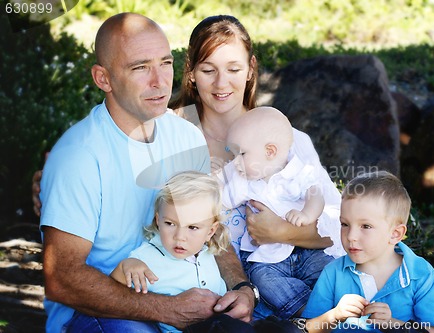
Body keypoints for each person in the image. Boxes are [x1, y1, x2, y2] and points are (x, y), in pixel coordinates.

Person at [34, 13, 339, 322]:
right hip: (166, 293)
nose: (222, 83)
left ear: (250, 70)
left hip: (242, 290)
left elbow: (340, 228)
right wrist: (54, 183)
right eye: (208, 70)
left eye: (233, 68)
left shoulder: (278, 137)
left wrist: (279, 237)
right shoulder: (177, 130)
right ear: (191, 73)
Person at [39, 13, 255, 333]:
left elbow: (210, 229)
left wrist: (241, 288)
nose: (159, 80)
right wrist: (166, 309)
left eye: (165, 63)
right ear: (103, 78)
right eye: (140, 67)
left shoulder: (186, 137)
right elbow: (62, 279)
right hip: (102, 313)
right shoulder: (78, 157)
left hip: (179, 295)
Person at [217, 106, 345, 319]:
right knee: (262, 280)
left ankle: (343, 308)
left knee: (329, 270)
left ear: (270, 151)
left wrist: (306, 215)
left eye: (242, 154)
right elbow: (221, 197)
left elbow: (316, 195)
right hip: (268, 258)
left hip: (307, 251)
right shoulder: (242, 180)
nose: (236, 162)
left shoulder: (297, 172)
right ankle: (307, 313)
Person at [293, 171, 434, 333]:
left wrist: (393, 324)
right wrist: (333, 316)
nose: (351, 236)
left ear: (395, 234)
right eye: (345, 224)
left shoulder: (421, 273)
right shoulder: (333, 273)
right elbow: (308, 328)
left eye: (366, 226)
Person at [110, 171, 239, 333]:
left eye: (192, 227)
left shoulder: (208, 252)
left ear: (210, 231)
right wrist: (126, 266)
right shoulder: (145, 257)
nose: (180, 237)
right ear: (158, 221)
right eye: (170, 223)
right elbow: (115, 287)